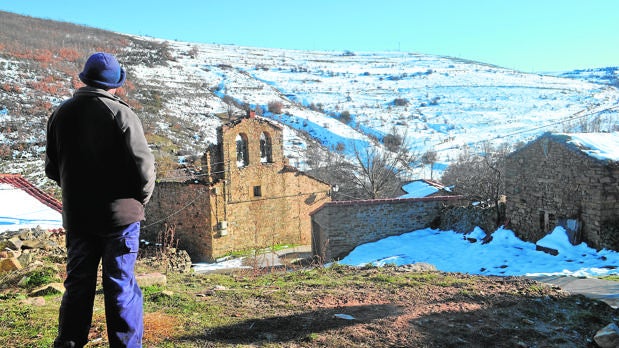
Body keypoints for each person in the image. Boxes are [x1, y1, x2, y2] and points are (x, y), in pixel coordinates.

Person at [45, 52, 156, 348]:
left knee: (78, 285)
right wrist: (138, 200)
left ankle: (69, 343)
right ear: (116, 86)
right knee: (120, 286)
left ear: (84, 79)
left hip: (79, 218)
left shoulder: (60, 114)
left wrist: (78, 193)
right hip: (119, 220)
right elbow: (144, 170)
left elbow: (52, 169)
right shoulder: (122, 114)